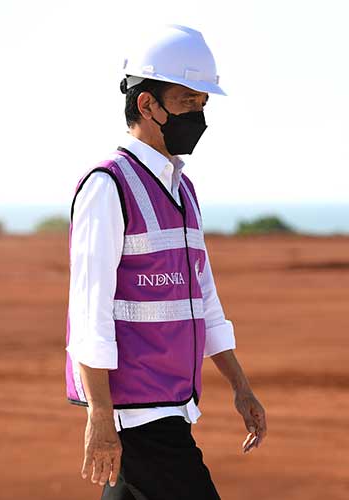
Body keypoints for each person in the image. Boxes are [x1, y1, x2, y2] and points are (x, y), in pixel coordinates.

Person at [63, 24, 266, 499]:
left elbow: (204, 300)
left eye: (202, 105)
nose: (197, 116)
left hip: (171, 408)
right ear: (146, 104)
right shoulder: (107, 187)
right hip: (137, 417)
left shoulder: (182, 190)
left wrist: (240, 386)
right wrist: (99, 417)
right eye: (185, 103)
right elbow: (88, 313)